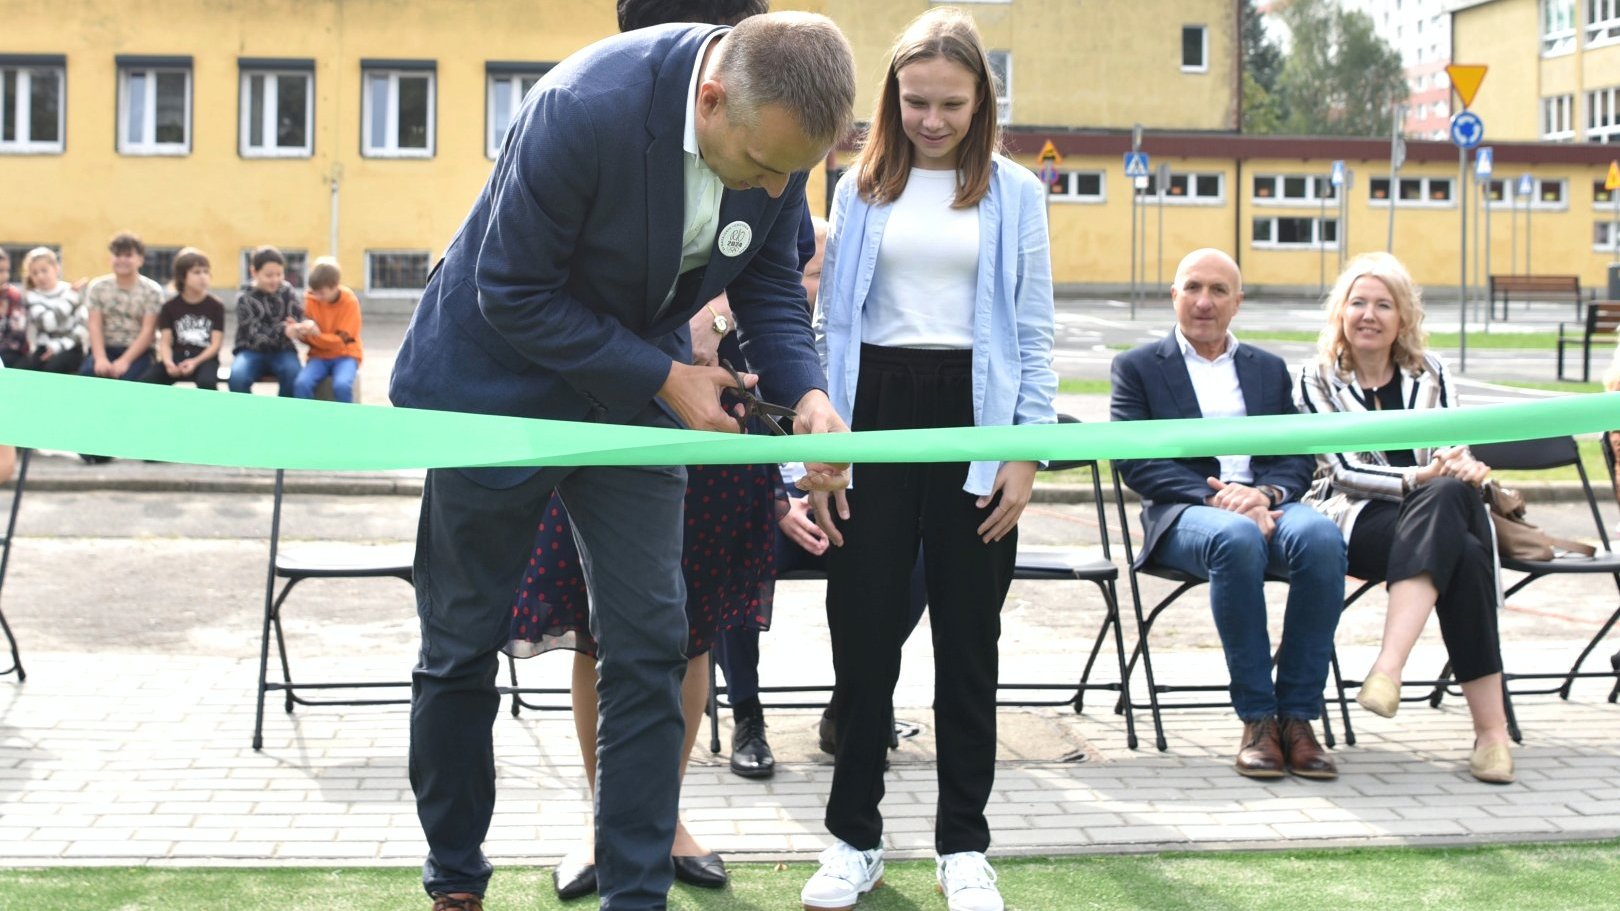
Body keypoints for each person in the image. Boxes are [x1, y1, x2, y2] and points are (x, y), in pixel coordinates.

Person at [387, 11, 856, 911]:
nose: (772, 185)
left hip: (634, 402)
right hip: (495, 389)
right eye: (762, 166)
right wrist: (668, 375)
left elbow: (764, 276)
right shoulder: (581, 107)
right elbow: (512, 290)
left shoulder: (779, 136)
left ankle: (635, 894)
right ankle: (455, 879)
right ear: (711, 101)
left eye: (788, 174)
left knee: (652, 642)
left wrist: (807, 393)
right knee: (459, 646)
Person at [802, 10, 1055, 911]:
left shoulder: (1018, 193)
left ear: (982, 97)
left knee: (968, 645)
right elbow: (833, 329)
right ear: (891, 97)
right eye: (916, 102)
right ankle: (853, 838)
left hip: (976, 422)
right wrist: (826, 453)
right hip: (875, 420)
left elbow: (1032, 331)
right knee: (863, 638)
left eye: (951, 103)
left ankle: (963, 847)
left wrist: (1025, 449)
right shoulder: (859, 186)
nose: (933, 119)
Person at [1110, 248, 1346, 783]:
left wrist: (1264, 493)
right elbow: (1135, 459)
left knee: (1324, 538)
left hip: (1269, 507)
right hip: (1186, 516)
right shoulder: (1138, 367)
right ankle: (1258, 719)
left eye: (1219, 291)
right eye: (1192, 287)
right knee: (1236, 538)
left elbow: (1296, 456)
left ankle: (1298, 719)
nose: (1204, 301)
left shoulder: (1266, 368)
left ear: (1237, 302)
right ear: (1173, 296)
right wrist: (1220, 499)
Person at [1295, 252, 1514, 784]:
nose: (1369, 315)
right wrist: (1425, 476)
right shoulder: (1314, 378)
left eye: (1384, 305)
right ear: (1341, 312)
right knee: (1454, 529)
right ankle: (1492, 734)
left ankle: (1388, 671)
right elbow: (1342, 473)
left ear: (1403, 318)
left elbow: (1449, 444)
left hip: (1432, 518)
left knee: (1455, 529)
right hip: (1358, 519)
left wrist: (1457, 463)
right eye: (1358, 302)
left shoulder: (1431, 371)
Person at [79, 231, 162, 383]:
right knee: (88, 375)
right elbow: (94, 325)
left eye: (128, 255)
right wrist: (100, 358)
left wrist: (125, 361)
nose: (122, 260)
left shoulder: (152, 291)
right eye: (117, 255)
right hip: (105, 348)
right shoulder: (98, 287)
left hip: (139, 353)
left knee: (130, 381)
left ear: (140, 260)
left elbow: (148, 331)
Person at [142, 247, 226, 390]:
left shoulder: (216, 306)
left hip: (205, 359)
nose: (203, 277)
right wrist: (168, 363)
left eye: (206, 272)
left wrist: (195, 362)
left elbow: (215, 345)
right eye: (196, 272)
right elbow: (165, 342)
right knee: (148, 380)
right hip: (176, 357)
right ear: (182, 276)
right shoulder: (170, 307)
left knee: (207, 382)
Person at [227, 246, 304, 396]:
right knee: (237, 378)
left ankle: (282, 416)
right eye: (269, 275)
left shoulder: (287, 291)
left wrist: (300, 327)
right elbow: (253, 333)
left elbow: (296, 318)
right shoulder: (245, 298)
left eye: (279, 274)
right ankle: (250, 416)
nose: (275, 279)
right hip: (250, 350)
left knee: (293, 374)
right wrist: (284, 330)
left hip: (283, 351)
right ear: (254, 272)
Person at [290, 257, 364, 403]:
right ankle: (306, 421)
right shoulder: (311, 299)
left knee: (342, 385)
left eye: (322, 293)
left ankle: (347, 422)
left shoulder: (349, 302)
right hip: (318, 356)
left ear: (335, 286)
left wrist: (317, 335)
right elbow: (308, 338)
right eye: (315, 292)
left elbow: (342, 341)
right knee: (301, 384)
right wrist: (300, 331)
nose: (318, 297)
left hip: (346, 355)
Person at [19, 247, 87, 374]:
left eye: (44, 270)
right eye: (34, 273)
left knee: (53, 369)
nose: (40, 276)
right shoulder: (32, 296)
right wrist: (69, 299)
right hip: (44, 347)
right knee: (28, 372)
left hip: (71, 347)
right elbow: (47, 323)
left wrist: (59, 346)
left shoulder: (70, 291)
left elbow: (82, 327)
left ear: (56, 268)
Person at [0, 249, 29, 369]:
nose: (5, 276)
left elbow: (17, 333)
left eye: (7, 271)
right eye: (0, 271)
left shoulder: (13, 295)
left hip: (11, 351)